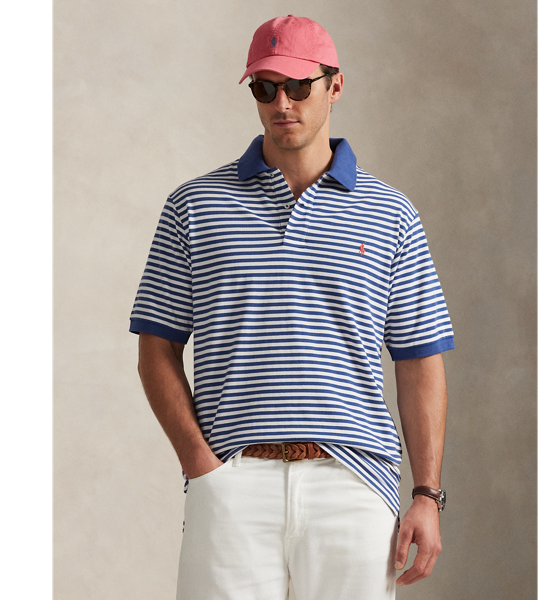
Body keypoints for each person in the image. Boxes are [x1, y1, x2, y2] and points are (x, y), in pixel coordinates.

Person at [130, 14, 454, 600]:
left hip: (354, 485)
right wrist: (201, 466)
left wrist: (426, 495)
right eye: (265, 87)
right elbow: (156, 350)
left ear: (335, 86)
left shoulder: (391, 214)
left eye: (299, 86)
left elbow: (419, 361)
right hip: (231, 482)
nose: (282, 103)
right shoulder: (194, 206)